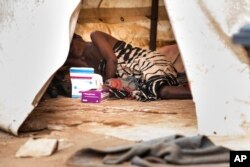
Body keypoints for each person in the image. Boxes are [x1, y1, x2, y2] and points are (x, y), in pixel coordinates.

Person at [65, 31, 192, 101]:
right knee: (157, 91)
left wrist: (106, 83)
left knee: (163, 90)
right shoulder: (83, 62)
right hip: (134, 77)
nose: (70, 51)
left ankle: (205, 94)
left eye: (69, 45)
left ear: (76, 37)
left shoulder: (95, 36)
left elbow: (112, 60)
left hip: (144, 61)